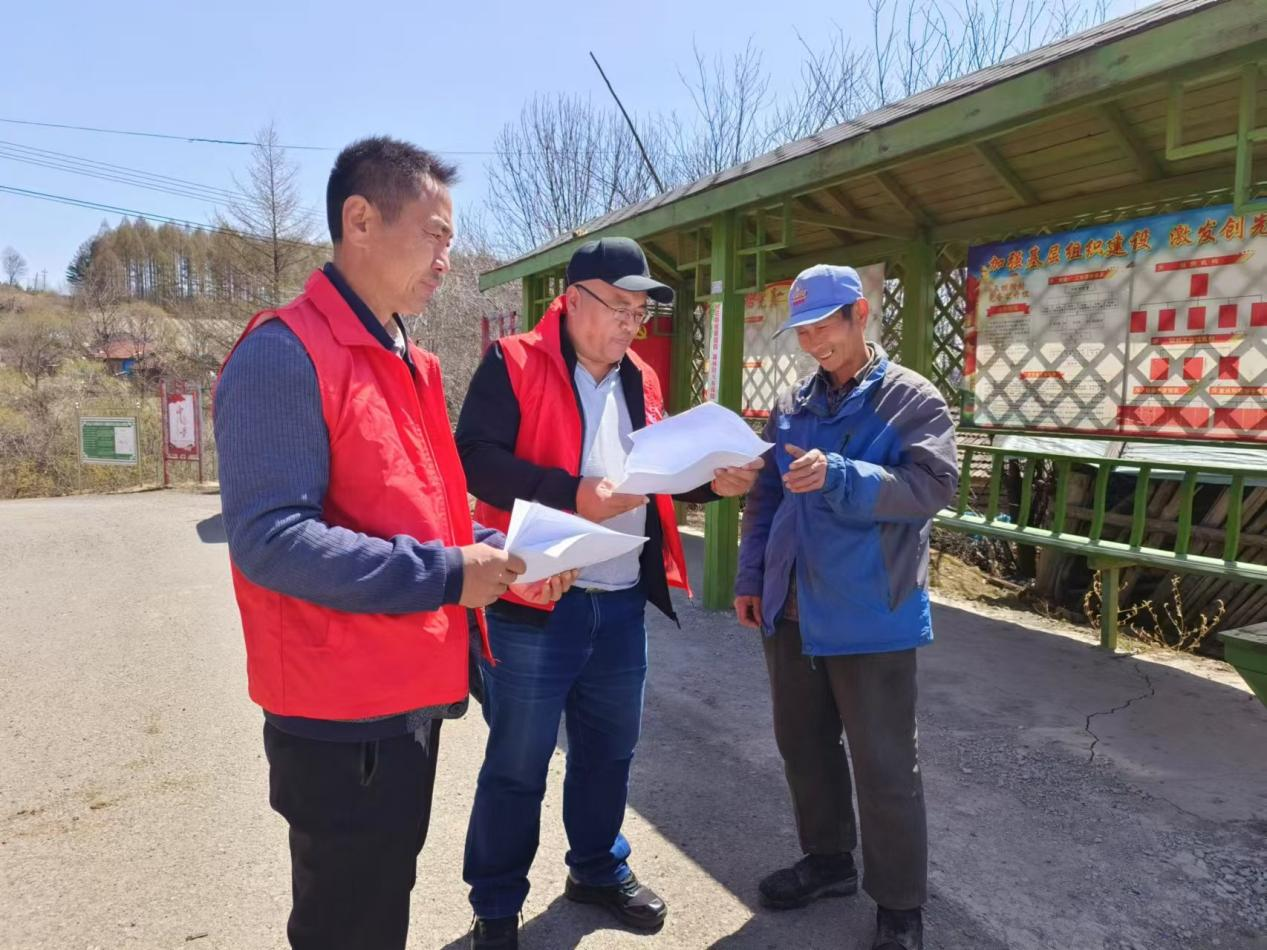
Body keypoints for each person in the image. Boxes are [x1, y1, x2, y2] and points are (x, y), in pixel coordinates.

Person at [214, 136, 573, 950]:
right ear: (360, 221)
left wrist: (508, 559)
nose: (447, 259)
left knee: (383, 894)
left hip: (405, 691)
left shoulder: (405, 359)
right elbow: (271, 540)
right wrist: (450, 574)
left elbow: (428, 517)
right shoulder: (283, 354)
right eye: (435, 234)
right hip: (340, 711)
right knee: (351, 919)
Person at [455, 237, 762, 949]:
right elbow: (473, 460)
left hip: (620, 599)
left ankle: (595, 868)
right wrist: (572, 494)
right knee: (518, 764)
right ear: (572, 300)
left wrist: (712, 484)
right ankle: (495, 904)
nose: (632, 323)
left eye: (639, 311)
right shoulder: (512, 362)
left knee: (609, 751)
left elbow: (651, 476)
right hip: (533, 601)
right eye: (620, 306)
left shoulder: (641, 378)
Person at [733, 264, 958, 950]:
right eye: (801, 331)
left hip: (870, 611)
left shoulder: (911, 399)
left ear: (861, 314)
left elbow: (932, 487)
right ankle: (828, 860)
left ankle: (899, 905)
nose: (811, 343)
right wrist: (752, 577)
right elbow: (765, 498)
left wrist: (841, 475)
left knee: (884, 764)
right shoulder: (793, 403)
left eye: (822, 326)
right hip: (791, 608)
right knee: (803, 746)